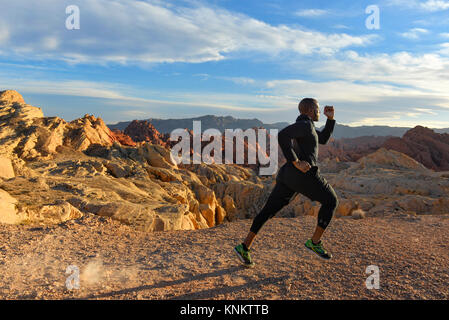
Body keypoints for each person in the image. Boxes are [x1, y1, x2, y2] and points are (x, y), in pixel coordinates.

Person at [234, 98, 339, 267]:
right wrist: (296, 161)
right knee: (331, 200)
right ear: (311, 110)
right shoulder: (305, 125)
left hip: (288, 177)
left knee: (268, 210)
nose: (320, 112)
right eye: (318, 109)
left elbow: (324, 139)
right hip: (303, 175)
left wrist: (330, 119)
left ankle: (244, 246)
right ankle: (314, 242)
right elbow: (282, 135)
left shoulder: (308, 126)